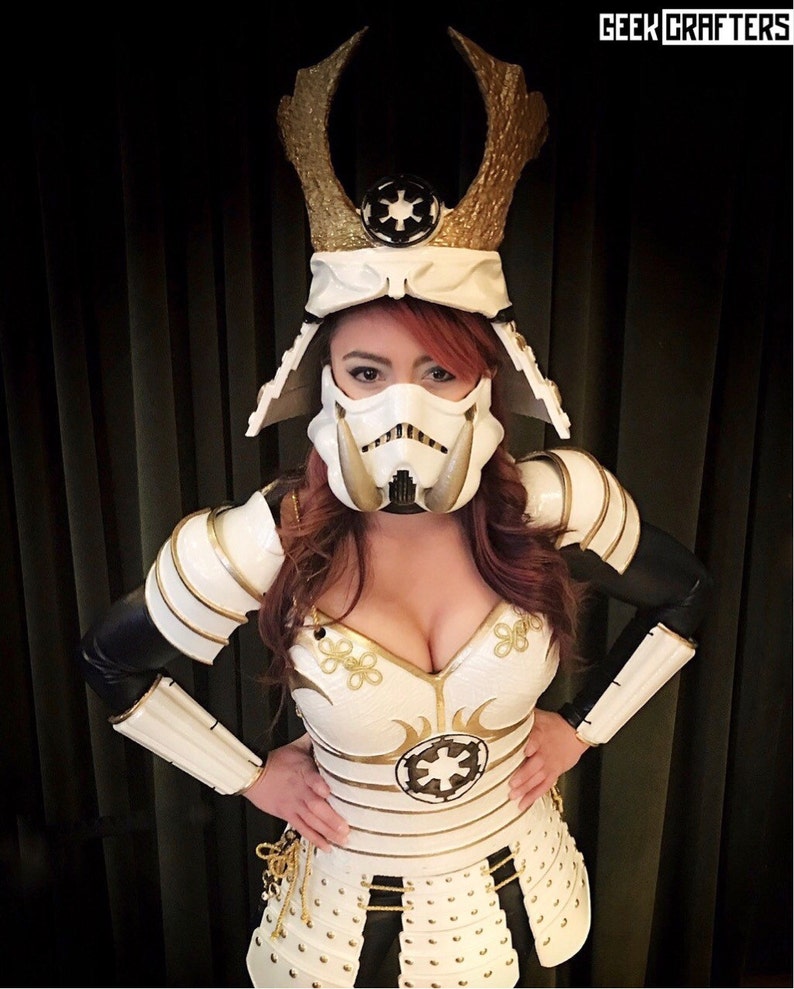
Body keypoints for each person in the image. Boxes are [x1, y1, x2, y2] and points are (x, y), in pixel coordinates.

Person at [76, 28, 711, 989]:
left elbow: (686, 593)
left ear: (487, 376)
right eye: (367, 372)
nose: (399, 407)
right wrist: (249, 774)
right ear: (324, 379)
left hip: (520, 882)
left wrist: (584, 727)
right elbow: (108, 660)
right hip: (343, 918)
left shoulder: (552, 505)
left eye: (438, 370)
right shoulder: (264, 543)